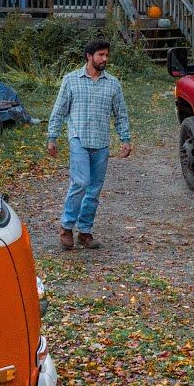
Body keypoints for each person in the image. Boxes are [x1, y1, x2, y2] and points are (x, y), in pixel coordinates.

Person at [47, 39, 132, 250]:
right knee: (81, 182)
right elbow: (59, 110)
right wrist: (52, 136)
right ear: (89, 56)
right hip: (79, 139)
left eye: (106, 55)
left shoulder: (113, 84)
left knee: (94, 189)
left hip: (101, 142)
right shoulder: (71, 80)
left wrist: (125, 139)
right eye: (101, 55)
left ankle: (85, 232)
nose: (105, 59)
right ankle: (66, 227)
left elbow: (120, 114)